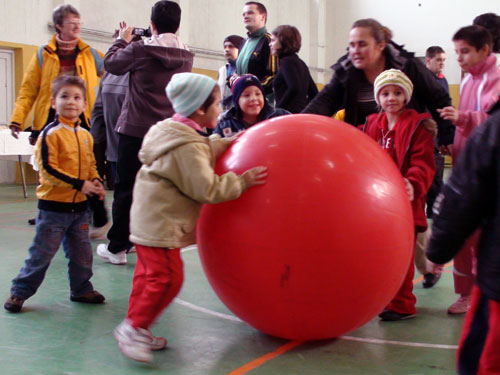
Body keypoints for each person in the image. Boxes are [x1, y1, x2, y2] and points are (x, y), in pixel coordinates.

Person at [112, 73, 267, 363]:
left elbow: (202, 148)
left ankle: (137, 326)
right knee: (168, 278)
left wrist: (226, 141)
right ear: (199, 109)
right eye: (218, 105)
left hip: (147, 220)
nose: (221, 110)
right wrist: (241, 181)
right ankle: (132, 328)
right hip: (161, 225)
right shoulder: (186, 146)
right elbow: (207, 187)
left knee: (147, 277)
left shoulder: (172, 132)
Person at [97, 0, 194, 265]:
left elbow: (112, 64)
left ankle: (118, 247)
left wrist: (120, 40)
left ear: (151, 24)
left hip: (135, 130)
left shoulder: (140, 49)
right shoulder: (187, 54)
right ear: (178, 24)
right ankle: (149, 242)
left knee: (126, 189)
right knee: (158, 189)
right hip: (165, 133)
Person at [4, 76, 106, 313]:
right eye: (65, 96)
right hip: (53, 210)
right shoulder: (50, 134)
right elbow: (48, 171)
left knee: (82, 255)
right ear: (53, 102)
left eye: (77, 97)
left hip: (80, 210)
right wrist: (80, 184)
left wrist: (95, 181)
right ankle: (19, 292)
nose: (71, 102)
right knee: (41, 255)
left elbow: (92, 163)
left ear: (84, 104)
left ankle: (81, 289)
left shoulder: (86, 136)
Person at [8, 4, 109, 233]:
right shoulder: (44, 54)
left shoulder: (90, 53)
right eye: (71, 23)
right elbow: (29, 89)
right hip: (49, 119)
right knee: (50, 167)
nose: (76, 27)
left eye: (79, 23)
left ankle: (99, 217)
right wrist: (17, 119)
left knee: (88, 165)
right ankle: (50, 210)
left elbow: (113, 69)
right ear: (58, 26)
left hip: (82, 120)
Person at [426, 100, 500, 375]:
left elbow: (461, 198)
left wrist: (437, 252)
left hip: (496, 287)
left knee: (485, 361)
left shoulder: (493, 130)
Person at [302, 19, 455, 149]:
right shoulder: (347, 71)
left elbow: (438, 98)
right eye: (352, 45)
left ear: (380, 46)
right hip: (368, 147)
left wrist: (447, 137)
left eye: (362, 44)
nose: (355, 51)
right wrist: (298, 124)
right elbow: (324, 102)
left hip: (407, 144)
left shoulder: (407, 66)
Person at [363, 69, 436, 321]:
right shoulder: (372, 123)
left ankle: (403, 304)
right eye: (385, 93)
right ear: (378, 98)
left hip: (406, 201)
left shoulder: (417, 126)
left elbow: (423, 163)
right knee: (383, 253)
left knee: (403, 257)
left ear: (406, 97)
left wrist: (412, 183)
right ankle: (386, 297)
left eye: (396, 93)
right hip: (379, 202)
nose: (390, 98)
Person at [437, 25, 500, 315]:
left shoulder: (497, 78)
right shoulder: (465, 81)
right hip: (463, 165)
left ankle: (486, 294)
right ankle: (465, 295)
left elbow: (492, 122)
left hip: (488, 173)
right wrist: (451, 142)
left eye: (465, 52)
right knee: (462, 236)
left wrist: (463, 118)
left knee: (485, 237)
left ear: (484, 50)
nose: (458, 58)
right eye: (456, 52)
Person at [413, 45, 450, 289]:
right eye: (439, 60)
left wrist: (444, 139)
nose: (443, 64)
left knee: (429, 202)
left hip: (431, 144)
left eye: (444, 60)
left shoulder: (442, 81)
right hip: (424, 140)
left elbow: (441, 113)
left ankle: (430, 265)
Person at [214, 74, 290, 138]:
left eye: (258, 94)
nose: (253, 99)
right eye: (246, 95)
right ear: (236, 101)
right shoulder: (225, 124)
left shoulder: (280, 116)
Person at [270, 25, 318, 113]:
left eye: (273, 40)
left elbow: (294, 87)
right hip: (299, 116)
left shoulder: (286, 62)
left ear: (283, 41)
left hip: (287, 117)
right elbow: (314, 93)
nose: (270, 44)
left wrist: (278, 109)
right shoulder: (301, 63)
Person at [233, 2, 277, 98]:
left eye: (250, 13)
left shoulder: (269, 41)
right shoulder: (243, 43)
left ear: (263, 17)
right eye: (244, 14)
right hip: (242, 100)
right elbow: (238, 73)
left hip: (263, 103)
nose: (245, 16)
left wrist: (251, 84)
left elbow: (275, 77)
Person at [217, 34, 244, 111]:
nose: (227, 49)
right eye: (225, 47)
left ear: (240, 49)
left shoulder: (245, 69)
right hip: (222, 114)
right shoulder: (222, 70)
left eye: (231, 46)